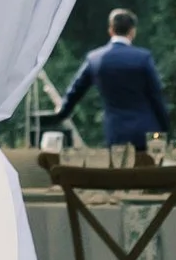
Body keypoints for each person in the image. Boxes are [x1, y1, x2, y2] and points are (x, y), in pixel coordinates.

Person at [55, 9, 170, 156]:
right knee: (146, 175)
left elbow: (76, 91)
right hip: (145, 131)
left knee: (119, 176)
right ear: (132, 31)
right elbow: (156, 95)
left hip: (116, 132)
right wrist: (165, 127)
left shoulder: (95, 58)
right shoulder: (143, 58)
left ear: (110, 30)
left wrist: (61, 113)